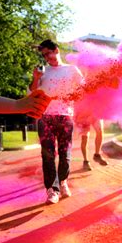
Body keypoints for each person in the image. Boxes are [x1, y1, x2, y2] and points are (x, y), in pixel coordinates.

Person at [29, 39, 84, 205]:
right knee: (48, 156)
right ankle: (52, 190)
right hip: (46, 117)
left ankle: (63, 181)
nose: (47, 57)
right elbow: (32, 92)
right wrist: (36, 78)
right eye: (44, 55)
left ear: (56, 50)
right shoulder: (42, 72)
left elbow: (83, 89)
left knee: (65, 156)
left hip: (65, 116)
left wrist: (76, 95)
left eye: (49, 53)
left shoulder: (72, 70)